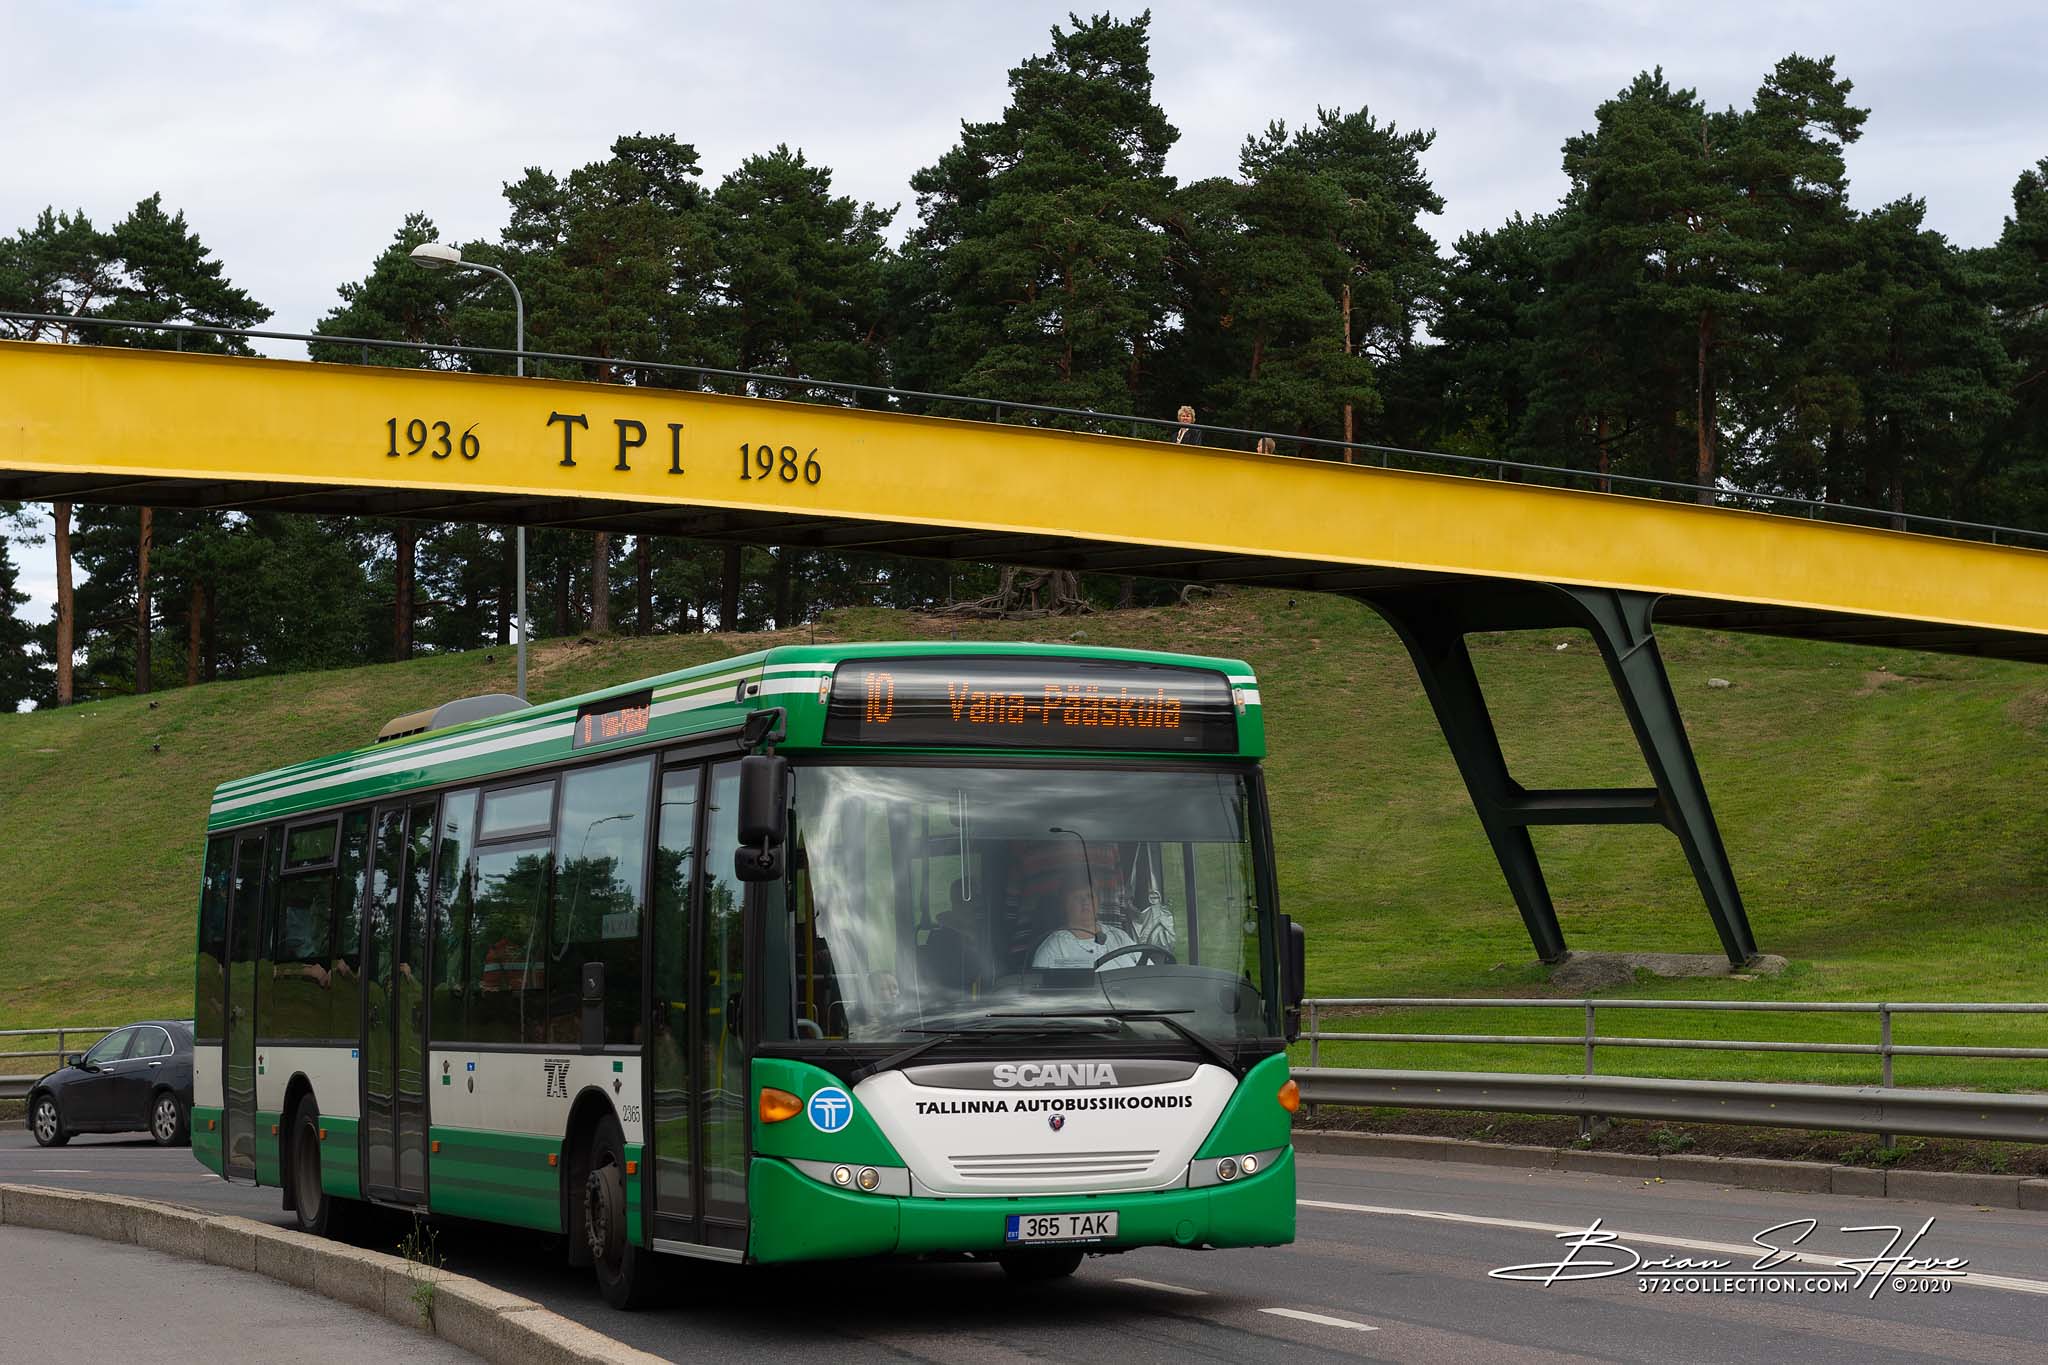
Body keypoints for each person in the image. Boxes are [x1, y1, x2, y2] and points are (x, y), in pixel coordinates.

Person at [1032, 882, 1140, 969]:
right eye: (1077, 897)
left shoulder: (1118, 936)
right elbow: (1038, 983)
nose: (1085, 902)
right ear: (1065, 905)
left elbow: (1145, 966)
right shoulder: (1054, 946)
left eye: (1090, 896)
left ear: (1098, 902)